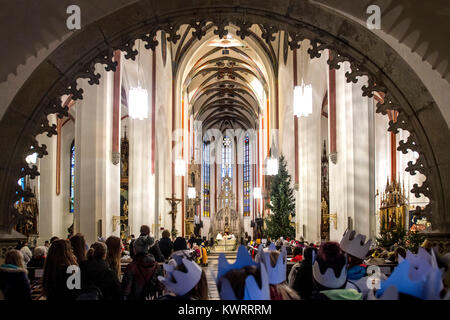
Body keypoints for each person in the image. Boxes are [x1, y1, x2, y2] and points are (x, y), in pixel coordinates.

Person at [121, 235, 162, 300]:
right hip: (150, 297)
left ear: (136, 250)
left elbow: (126, 290)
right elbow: (160, 287)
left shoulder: (132, 267)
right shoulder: (156, 266)